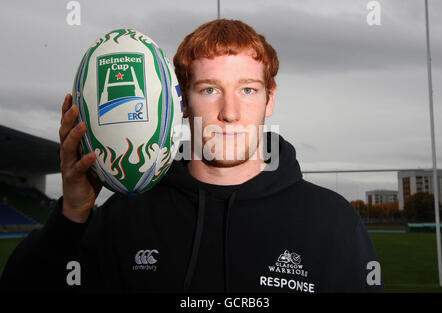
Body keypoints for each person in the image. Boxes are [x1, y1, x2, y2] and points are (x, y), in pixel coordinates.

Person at [0, 19, 384, 293]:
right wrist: (72, 214)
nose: (230, 112)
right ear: (181, 102)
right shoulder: (125, 219)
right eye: (209, 90)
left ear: (271, 99)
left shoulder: (332, 222)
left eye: (248, 90)